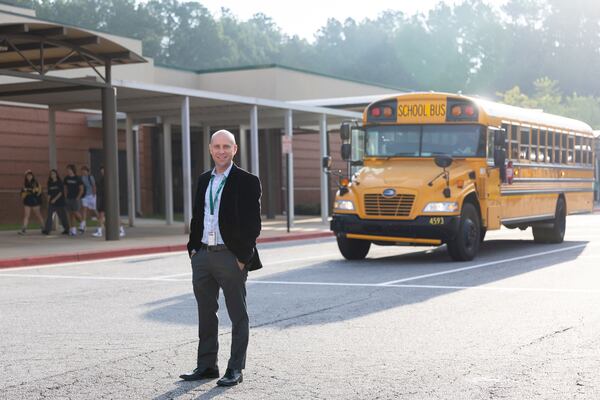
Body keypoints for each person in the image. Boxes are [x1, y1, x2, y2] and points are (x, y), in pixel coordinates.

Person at [180, 129, 262, 387]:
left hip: (230, 256)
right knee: (206, 313)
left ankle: (235, 368)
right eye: (217, 146)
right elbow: (197, 216)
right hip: (203, 254)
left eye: (227, 146)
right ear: (210, 149)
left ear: (235, 149)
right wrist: (193, 249)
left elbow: (253, 224)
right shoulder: (204, 179)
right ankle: (206, 366)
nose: (221, 150)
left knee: (238, 315)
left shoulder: (247, 180)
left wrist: (243, 257)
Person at [92, 166, 125, 238]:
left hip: (111, 199)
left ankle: (121, 229)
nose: (102, 172)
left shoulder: (111, 179)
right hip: (103, 199)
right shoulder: (102, 180)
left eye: (103, 170)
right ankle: (99, 231)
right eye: (101, 170)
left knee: (115, 215)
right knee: (101, 215)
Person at [42, 169, 70, 235]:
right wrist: (48, 201)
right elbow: (49, 193)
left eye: (54, 174)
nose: (52, 175)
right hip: (52, 203)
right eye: (51, 174)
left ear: (56, 175)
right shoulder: (49, 182)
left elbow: (61, 192)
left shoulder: (60, 182)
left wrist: (55, 199)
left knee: (62, 216)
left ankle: (67, 229)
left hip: (60, 202)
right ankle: (47, 230)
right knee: (49, 216)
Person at [18, 170, 44, 235]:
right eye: (27, 176)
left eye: (30, 175)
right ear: (26, 177)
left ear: (32, 176)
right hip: (27, 201)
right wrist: (24, 193)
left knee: (38, 215)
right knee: (26, 215)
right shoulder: (24, 184)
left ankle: (43, 227)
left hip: (35, 201)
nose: (29, 176)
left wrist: (28, 190)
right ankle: (23, 229)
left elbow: (37, 191)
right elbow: (22, 193)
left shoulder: (36, 183)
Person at [63, 164, 84, 236]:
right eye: (67, 170)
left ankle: (82, 223)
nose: (68, 171)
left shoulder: (78, 178)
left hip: (76, 198)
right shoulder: (66, 178)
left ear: (73, 170)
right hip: (69, 198)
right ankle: (73, 229)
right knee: (71, 214)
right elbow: (65, 188)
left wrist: (78, 197)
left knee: (75, 212)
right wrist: (65, 196)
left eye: (69, 169)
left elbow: (81, 189)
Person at [79, 165, 98, 233]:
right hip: (84, 196)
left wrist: (94, 194)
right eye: (82, 171)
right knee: (84, 209)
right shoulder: (81, 178)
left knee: (94, 210)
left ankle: (101, 222)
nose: (83, 172)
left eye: (84, 171)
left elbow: (94, 186)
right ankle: (83, 225)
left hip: (91, 195)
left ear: (87, 171)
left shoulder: (90, 177)